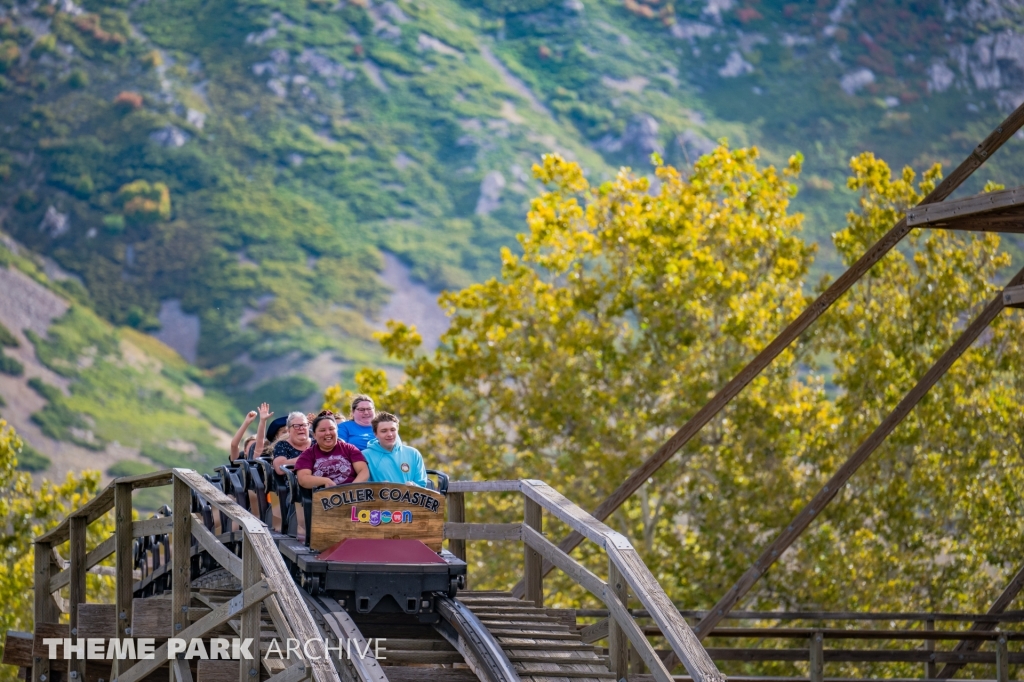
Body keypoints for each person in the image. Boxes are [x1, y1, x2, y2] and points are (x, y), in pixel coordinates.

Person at [295, 411, 369, 488]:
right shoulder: (307, 454)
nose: (328, 433)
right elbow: (303, 479)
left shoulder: (350, 449)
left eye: (331, 429)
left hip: (351, 496)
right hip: (322, 497)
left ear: (337, 431)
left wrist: (351, 489)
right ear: (314, 435)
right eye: (322, 430)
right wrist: (326, 481)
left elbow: (363, 471)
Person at [363, 412, 429, 487]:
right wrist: (377, 488)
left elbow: (422, 485)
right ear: (375, 434)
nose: (389, 434)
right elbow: (362, 487)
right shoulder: (364, 456)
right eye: (384, 431)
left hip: (409, 498)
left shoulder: (413, 453)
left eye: (392, 430)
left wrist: (413, 486)